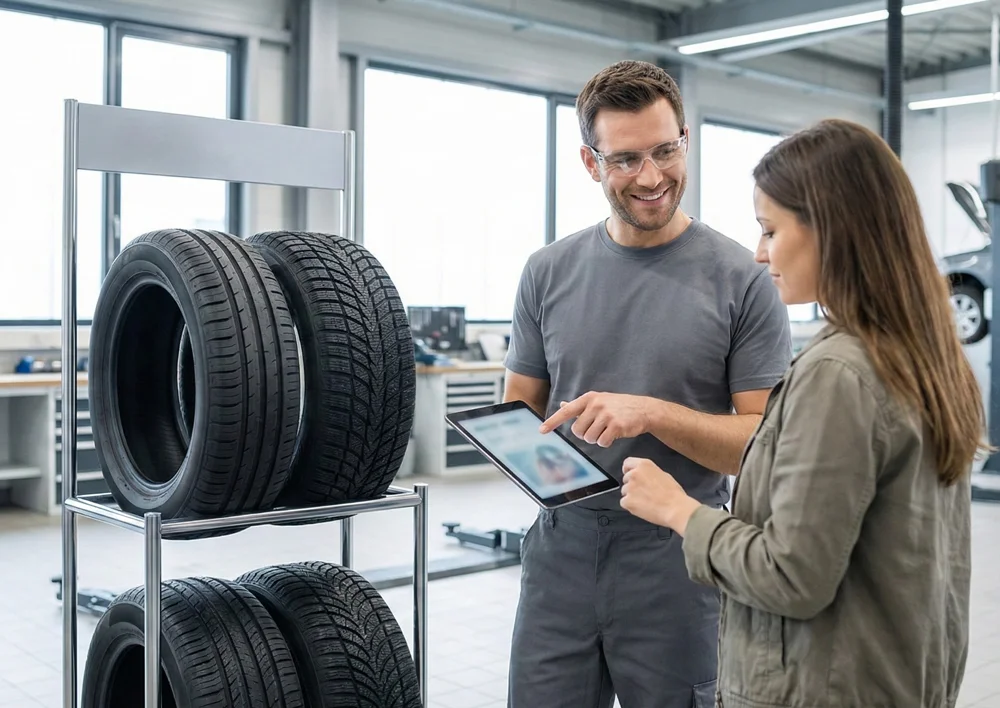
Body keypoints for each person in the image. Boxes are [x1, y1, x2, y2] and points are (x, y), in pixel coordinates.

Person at [620, 118, 984, 708]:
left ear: (830, 230)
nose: (761, 254)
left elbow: (791, 575)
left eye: (770, 230)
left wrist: (680, 511)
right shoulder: (923, 355)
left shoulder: (839, 374)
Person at [502, 60, 792, 708]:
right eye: (626, 160)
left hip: (678, 555)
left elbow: (762, 447)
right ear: (590, 161)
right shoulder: (547, 271)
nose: (653, 177)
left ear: (685, 139)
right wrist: (544, 468)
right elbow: (518, 406)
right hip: (561, 551)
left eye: (666, 151)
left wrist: (653, 414)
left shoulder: (743, 279)